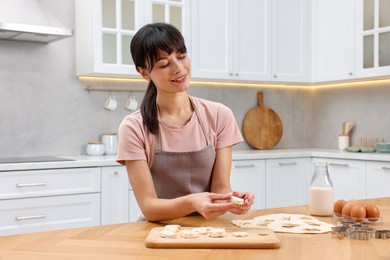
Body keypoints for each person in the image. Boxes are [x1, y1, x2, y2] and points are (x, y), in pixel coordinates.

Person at [117, 23, 254, 222]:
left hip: (208, 227)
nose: (179, 69)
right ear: (144, 73)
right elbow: (149, 207)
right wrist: (191, 202)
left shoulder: (219, 116)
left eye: (181, 56)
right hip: (158, 231)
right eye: (164, 64)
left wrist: (232, 200)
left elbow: (220, 188)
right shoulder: (134, 127)